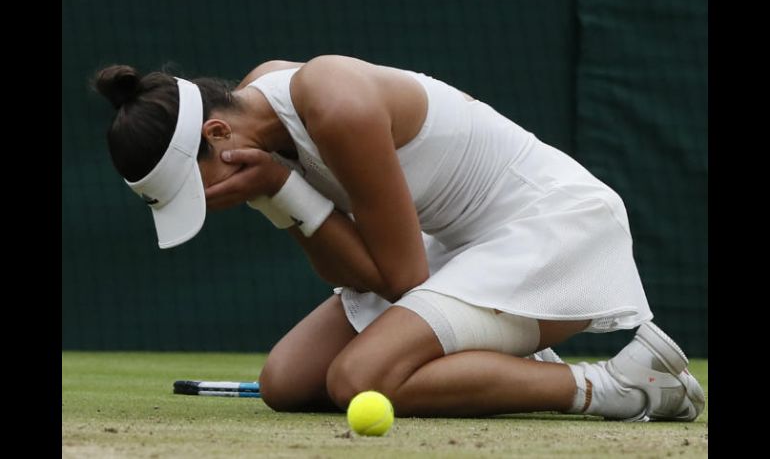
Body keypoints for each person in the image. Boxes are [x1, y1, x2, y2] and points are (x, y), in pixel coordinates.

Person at [94, 55, 704, 421]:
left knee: (356, 380)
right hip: (458, 246)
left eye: (201, 188)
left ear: (219, 130)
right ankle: (496, 356)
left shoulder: (333, 104)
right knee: (286, 383)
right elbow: (353, 272)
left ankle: (621, 386)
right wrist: (280, 195)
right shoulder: (257, 130)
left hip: (553, 231)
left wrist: (284, 187)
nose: (214, 203)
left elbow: (402, 281)